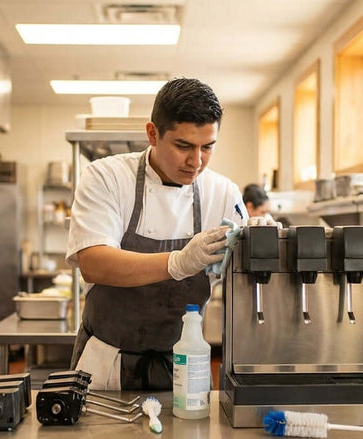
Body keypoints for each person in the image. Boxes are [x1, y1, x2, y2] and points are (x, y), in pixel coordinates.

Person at [66, 78, 250, 391]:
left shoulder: (222, 193)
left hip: (184, 364)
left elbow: (242, 277)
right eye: (183, 146)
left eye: (207, 147)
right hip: (106, 361)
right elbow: (93, 262)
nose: (196, 162)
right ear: (152, 134)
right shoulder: (108, 177)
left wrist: (262, 244)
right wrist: (178, 263)